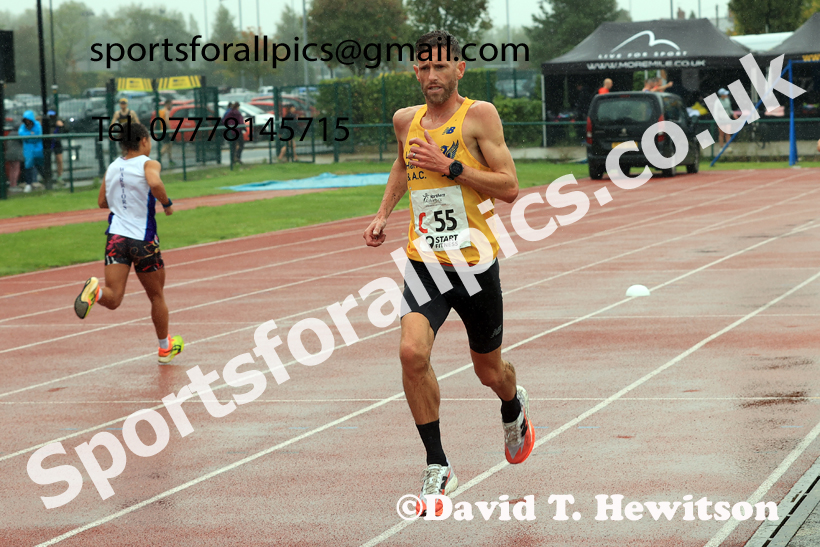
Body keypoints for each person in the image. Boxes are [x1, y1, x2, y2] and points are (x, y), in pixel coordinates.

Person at [362, 29, 534, 518]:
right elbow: (402, 165)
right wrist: (383, 213)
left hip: (476, 263)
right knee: (411, 352)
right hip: (424, 261)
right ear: (414, 71)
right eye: (423, 67)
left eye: (440, 67)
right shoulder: (405, 120)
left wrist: (451, 165)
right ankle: (438, 462)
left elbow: (510, 187)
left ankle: (513, 404)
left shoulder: (479, 116)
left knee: (488, 371)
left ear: (460, 69)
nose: (431, 76)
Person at [73, 122, 184, 365]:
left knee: (113, 298)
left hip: (116, 237)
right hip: (142, 238)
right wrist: (166, 204)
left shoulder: (113, 166)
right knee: (156, 296)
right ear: (144, 141)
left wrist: (121, 203)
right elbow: (154, 183)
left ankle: (95, 291)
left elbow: (102, 201)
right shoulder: (148, 163)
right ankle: (165, 348)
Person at [18, 111, 46, 193]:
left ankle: (47, 181)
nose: (27, 121)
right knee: (28, 167)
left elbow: (37, 135)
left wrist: (29, 137)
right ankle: (28, 184)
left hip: (38, 149)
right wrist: (30, 135)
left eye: (28, 119)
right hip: (28, 149)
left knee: (40, 165)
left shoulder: (37, 124)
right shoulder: (23, 126)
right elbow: (21, 134)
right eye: (25, 119)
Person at [47, 110, 65, 185]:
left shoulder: (60, 119)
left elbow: (66, 129)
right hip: (48, 142)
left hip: (57, 142)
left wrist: (62, 125)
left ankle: (59, 177)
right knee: (47, 160)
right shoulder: (46, 120)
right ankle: (48, 178)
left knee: (59, 160)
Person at [158, 99, 175, 165]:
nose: (171, 106)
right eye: (171, 105)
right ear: (168, 104)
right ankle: (158, 157)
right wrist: (170, 131)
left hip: (161, 130)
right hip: (166, 130)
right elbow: (167, 122)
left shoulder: (160, 111)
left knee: (170, 145)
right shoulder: (166, 112)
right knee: (166, 145)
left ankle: (170, 159)